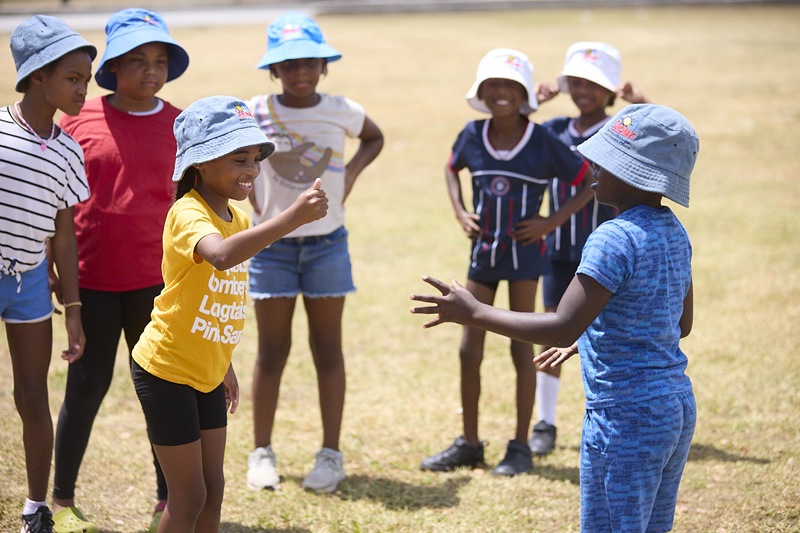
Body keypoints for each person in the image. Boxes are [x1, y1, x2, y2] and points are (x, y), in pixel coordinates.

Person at [412, 103, 698, 532]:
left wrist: (474, 312)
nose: (593, 167)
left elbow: (562, 325)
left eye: (607, 160)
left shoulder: (612, 238)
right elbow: (678, 324)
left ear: (636, 174)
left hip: (624, 416)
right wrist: (593, 336)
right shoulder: (674, 231)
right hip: (675, 406)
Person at [130, 95, 328, 532]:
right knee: (188, 496)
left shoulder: (237, 216)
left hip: (207, 369)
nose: (252, 169)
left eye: (255, 159)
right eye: (240, 159)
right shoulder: (188, 213)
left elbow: (219, 301)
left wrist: (224, 363)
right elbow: (219, 257)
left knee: (213, 489)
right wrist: (291, 219)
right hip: (166, 370)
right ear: (200, 163)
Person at [51, 9, 190, 533]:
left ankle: (167, 501)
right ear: (112, 67)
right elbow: (56, 202)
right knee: (86, 388)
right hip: (91, 281)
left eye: (160, 61)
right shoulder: (77, 119)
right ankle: (61, 500)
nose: (151, 70)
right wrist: (51, 264)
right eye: (137, 60)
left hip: (158, 283)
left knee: (162, 391)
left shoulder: (182, 124)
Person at [420, 48, 589, 477]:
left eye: (511, 86)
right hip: (483, 256)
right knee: (468, 348)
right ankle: (470, 443)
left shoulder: (542, 140)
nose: (501, 93)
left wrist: (551, 221)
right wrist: (460, 211)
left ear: (525, 94)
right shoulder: (472, 134)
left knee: (521, 347)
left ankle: (519, 446)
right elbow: (451, 168)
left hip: (525, 259)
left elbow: (589, 180)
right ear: (481, 92)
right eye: (492, 84)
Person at [244, 11, 383, 494]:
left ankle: (330, 455)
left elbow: (374, 137)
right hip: (271, 248)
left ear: (324, 66)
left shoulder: (342, 109)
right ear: (273, 70)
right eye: (288, 65)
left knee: (327, 350)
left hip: (327, 246)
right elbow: (231, 157)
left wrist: (350, 177)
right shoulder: (253, 111)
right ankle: (261, 452)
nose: (300, 72)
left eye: (309, 63)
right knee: (271, 352)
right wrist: (247, 186)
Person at [529, 42, 650, 456]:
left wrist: (640, 103)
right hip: (558, 251)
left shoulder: (622, 128)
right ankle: (545, 421)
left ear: (611, 89)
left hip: (608, 254)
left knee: (609, 331)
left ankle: (607, 413)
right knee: (552, 329)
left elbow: (660, 137)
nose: (584, 91)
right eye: (577, 82)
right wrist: (532, 103)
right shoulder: (552, 129)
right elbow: (519, 135)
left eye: (594, 84)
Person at [2, 15, 95, 533]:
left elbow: (64, 235)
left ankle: (36, 508)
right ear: (38, 75)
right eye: (73, 78)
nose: (83, 89)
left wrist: (74, 311)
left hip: (32, 284)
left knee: (31, 396)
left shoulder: (68, 151)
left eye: (86, 80)